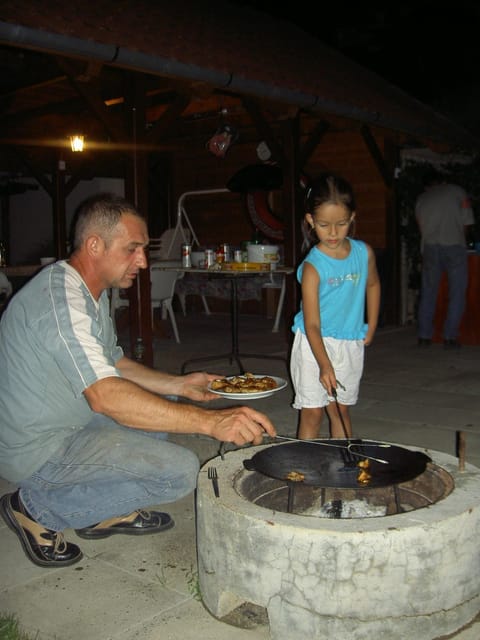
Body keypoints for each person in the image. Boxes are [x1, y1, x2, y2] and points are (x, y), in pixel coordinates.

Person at [0, 193, 276, 568]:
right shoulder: (62, 304)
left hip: (70, 421)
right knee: (178, 473)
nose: (143, 261)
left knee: (160, 414)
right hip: (37, 451)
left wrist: (180, 385)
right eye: (133, 249)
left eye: (143, 250)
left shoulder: (87, 291)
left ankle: (99, 512)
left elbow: (114, 363)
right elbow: (106, 396)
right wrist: (211, 422)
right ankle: (34, 507)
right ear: (94, 245)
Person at [290, 173, 380, 440]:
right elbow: (312, 323)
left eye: (341, 224)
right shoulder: (312, 268)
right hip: (313, 343)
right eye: (323, 224)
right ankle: (304, 468)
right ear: (310, 221)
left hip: (349, 342)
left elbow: (373, 285)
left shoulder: (364, 253)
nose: (332, 233)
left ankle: (345, 468)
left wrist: (372, 324)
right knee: (313, 411)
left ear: (352, 217)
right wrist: (324, 364)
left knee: (340, 409)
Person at [415, 168, 475, 348]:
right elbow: (467, 222)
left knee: (429, 291)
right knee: (456, 292)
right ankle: (450, 337)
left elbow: (421, 227)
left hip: (430, 247)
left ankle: (424, 336)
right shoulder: (457, 192)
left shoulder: (421, 199)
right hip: (454, 244)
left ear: (427, 186)